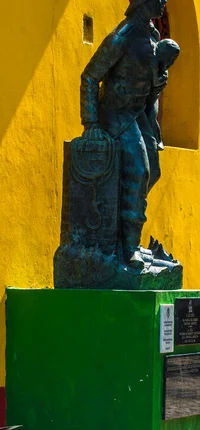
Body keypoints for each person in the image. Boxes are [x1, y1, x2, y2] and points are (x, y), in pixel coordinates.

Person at [80, 0, 175, 269]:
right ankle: (130, 247)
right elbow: (89, 77)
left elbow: (149, 79)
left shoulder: (153, 35)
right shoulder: (122, 36)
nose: (164, 1)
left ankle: (124, 237)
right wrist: (91, 124)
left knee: (152, 172)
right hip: (117, 114)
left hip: (138, 113)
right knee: (139, 171)